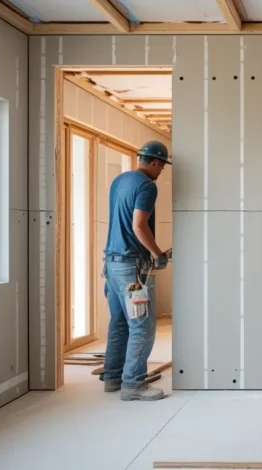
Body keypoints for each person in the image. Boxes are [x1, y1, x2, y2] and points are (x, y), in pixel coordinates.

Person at [101, 140, 172, 401]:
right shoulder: (147, 186)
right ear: (154, 162)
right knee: (142, 326)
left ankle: (112, 378)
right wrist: (157, 253)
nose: (161, 171)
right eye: (162, 166)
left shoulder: (120, 180)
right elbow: (139, 226)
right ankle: (133, 385)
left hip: (111, 262)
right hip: (131, 267)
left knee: (119, 323)